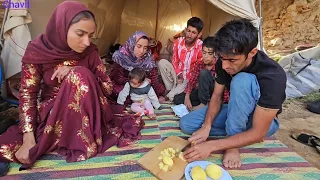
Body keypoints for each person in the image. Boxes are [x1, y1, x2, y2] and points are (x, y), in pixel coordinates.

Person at [0, 1, 143, 170]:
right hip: (54, 113)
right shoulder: (38, 51)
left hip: (91, 109)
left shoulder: (91, 52)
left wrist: (79, 71)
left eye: (90, 35)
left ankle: (82, 139)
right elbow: (28, 94)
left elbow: (108, 88)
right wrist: (28, 136)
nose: (87, 42)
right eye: (80, 33)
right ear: (61, 27)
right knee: (9, 147)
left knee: (80, 75)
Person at [180, 19, 287, 168]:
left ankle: (232, 142)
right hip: (235, 109)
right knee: (187, 124)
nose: (225, 65)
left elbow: (259, 131)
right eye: (222, 59)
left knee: (241, 80)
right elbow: (217, 96)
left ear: (252, 53)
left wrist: (213, 145)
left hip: (260, 120)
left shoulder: (273, 76)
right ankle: (239, 133)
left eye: (232, 60)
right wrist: (207, 125)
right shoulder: (224, 61)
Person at [173, 36, 230, 110]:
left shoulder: (220, 66)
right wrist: (187, 97)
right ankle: (203, 104)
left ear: (215, 54)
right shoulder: (200, 64)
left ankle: (204, 104)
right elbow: (192, 81)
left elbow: (224, 90)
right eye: (204, 52)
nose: (205, 56)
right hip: (201, 92)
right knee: (177, 99)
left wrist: (223, 103)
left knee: (204, 73)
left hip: (214, 94)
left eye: (209, 53)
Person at [110, 32, 166, 103]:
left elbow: (153, 79)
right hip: (126, 85)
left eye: (145, 48)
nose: (142, 51)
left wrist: (156, 95)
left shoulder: (148, 59)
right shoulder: (121, 57)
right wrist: (139, 80)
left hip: (142, 87)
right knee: (118, 92)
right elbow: (118, 79)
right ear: (132, 44)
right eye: (139, 46)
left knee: (157, 89)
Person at [158, 17, 203, 101]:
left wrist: (185, 79)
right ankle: (170, 88)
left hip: (188, 80)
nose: (189, 35)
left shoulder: (201, 46)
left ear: (199, 34)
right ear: (185, 29)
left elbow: (198, 69)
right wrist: (179, 74)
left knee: (171, 97)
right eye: (188, 31)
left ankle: (171, 93)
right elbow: (174, 61)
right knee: (162, 62)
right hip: (177, 75)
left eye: (193, 32)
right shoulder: (178, 42)